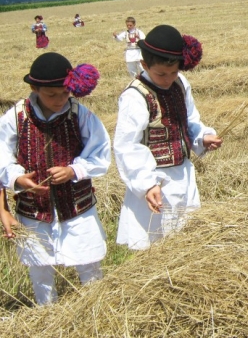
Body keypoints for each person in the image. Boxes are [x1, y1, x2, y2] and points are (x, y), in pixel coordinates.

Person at [0, 52, 111, 305]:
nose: (60, 100)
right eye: (52, 95)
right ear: (34, 88)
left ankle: (97, 307)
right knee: (39, 267)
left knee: (89, 261)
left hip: (77, 206)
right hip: (34, 210)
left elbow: (100, 152)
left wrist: (74, 171)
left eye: (65, 93)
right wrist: (17, 178)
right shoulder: (15, 118)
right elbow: (1, 156)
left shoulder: (80, 115)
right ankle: (46, 310)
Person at [114, 24, 223, 250]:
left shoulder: (181, 84)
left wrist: (202, 137)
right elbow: (127, 146)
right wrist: (146, 184)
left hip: (182, 173)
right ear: (144, 65)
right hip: (155, 180)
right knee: (154, 242)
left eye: (174, 72)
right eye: (161, 74)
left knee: (185, 238)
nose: (168, 79)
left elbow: (190, 120)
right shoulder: (135, 96)